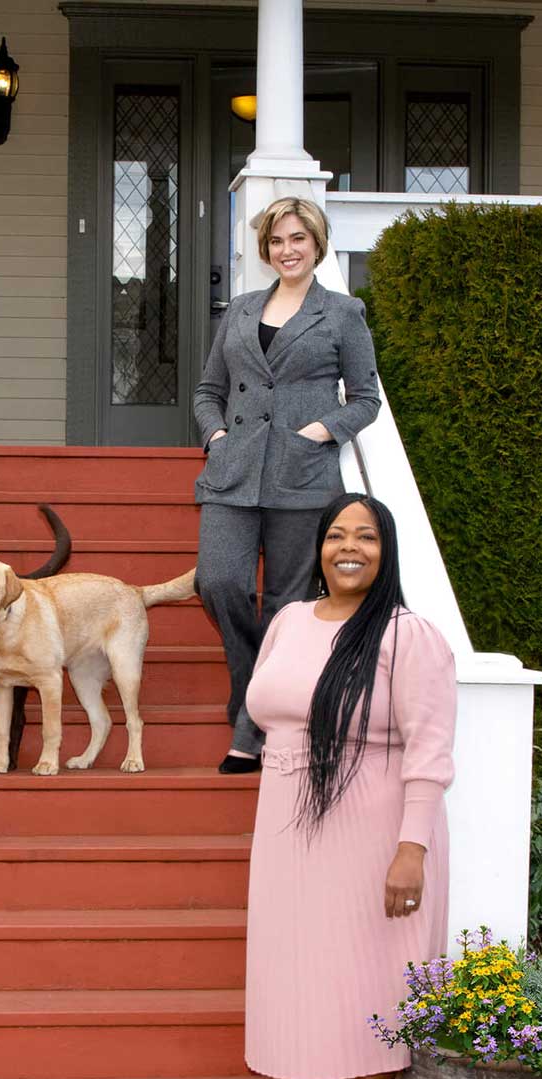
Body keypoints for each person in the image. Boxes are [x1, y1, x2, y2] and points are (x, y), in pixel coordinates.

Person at [240, 493, 455, 1079]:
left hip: (375, 835)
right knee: (295, 980)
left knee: (372, 982)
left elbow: (429, 751)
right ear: (320, 549)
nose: (348, 547)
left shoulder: (405, 635)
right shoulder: (290, 622)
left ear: (386, 551)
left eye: (365, 535)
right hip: (286, 834)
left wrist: (411, 848)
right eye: (336, 535)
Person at [193, 197, 382, 775]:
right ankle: (254, 689)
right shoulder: (243, 309)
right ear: (266, 249)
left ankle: (250, 733)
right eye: (277, 241)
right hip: (233, 472)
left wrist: (322, 431)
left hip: (302, 476)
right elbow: (208, 391)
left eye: (298, 238)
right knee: (218, 581)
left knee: (287, 603)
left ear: (317, 243)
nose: (288, 249)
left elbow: (367, 399)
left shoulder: (343, 312)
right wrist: (217, 436)